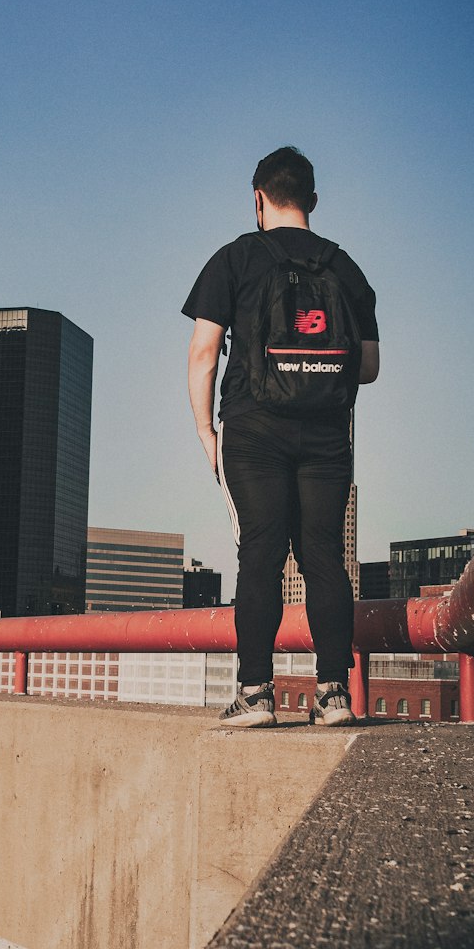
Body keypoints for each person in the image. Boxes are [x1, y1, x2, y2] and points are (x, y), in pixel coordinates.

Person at [183, 146, 379, 727]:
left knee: (261, 554)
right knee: (323, 556)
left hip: (253, 430)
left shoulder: (235, 258)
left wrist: (205, 431)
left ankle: (255, 693)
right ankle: (334, 693)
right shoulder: (345, 268)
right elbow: (367, 367)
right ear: (313, 201)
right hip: (326, 435)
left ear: (258, 199)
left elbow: (202, 353)